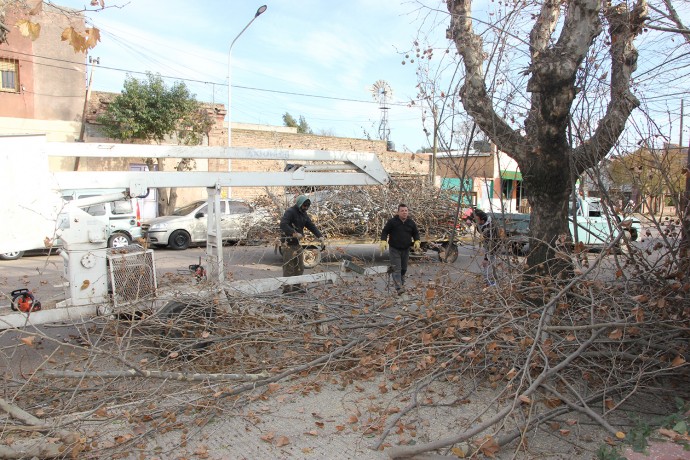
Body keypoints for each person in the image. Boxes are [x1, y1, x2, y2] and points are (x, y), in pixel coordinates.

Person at [279, 195, 324, 294]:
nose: (305, 208)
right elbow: (283, 224)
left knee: (299, 266)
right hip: (288, 243)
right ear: (300, 204)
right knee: (288, 267)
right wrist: (293, 233)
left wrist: (319, 236)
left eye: (307, 206)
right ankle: (286, 289)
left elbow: (311, 225)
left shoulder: (303, 214)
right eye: (304, 206)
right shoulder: (290, 212)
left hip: (296, 244)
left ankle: (296, 287)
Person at [379, 203, 421, 295]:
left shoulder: (411, 223)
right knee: (396, 269)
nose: (404, 212)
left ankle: (401, 284)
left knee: (404, 269)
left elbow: (416, 233)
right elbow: (385, 231)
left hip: (406, 249)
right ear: (398, 212)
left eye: (406, 211)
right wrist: (383, 241)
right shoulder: (392, 222)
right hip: (394, 249)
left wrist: (417, 240)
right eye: (402, 211)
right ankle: (399, 288)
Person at [465, 208, 499, 286]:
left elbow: (491, 245)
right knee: (489, 264)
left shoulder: (490, 227)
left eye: (477, 220)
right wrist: (469, 219)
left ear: (483, 221)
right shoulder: (481, 217)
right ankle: (491, 277)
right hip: (486, 242)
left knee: (488, 263)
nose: (475, 221)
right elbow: (475, 210)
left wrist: (486, 258)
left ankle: (489, 281)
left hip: (494, 245)